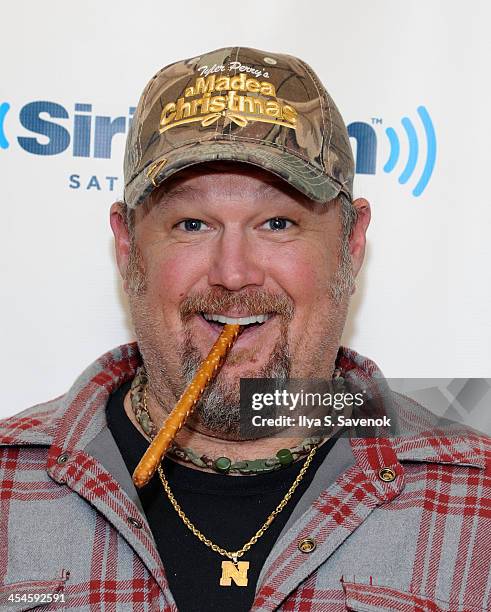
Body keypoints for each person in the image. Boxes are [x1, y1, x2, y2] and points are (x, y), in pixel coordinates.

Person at [0, 47, 489, 612]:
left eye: (278, 222)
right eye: (192, 223)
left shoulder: (477, 497)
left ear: (351, 245)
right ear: (128, 245)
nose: (233, 273)